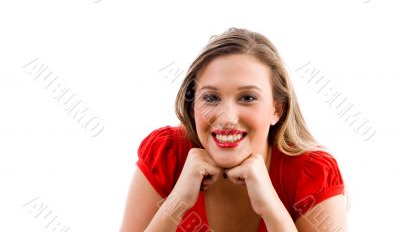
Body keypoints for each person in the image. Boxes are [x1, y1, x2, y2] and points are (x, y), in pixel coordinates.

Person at [119, 28, 347, 232]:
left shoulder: (312, 173)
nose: (227, 117)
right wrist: (177, 201)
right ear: (192, 106)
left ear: (277, 109)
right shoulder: (166, 154)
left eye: (247, 98)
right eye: (211, 97)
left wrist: (271, 208)